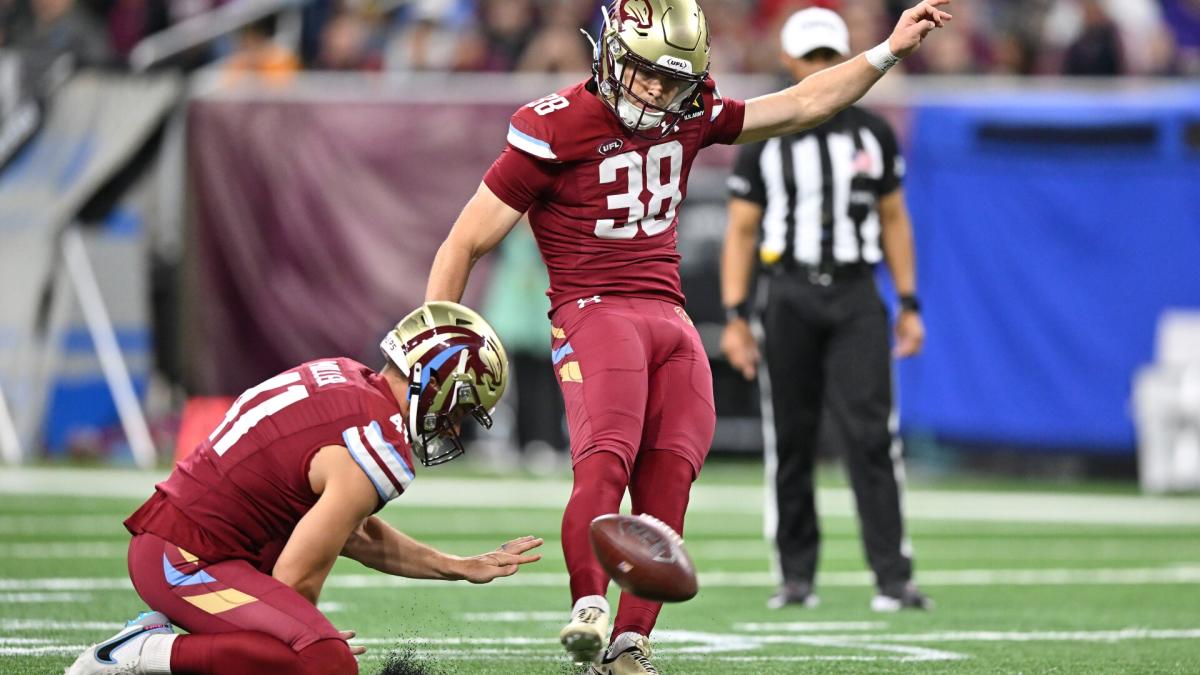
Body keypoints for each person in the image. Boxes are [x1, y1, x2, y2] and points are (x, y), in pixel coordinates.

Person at [425, 1, 952, 671]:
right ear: (612, 55)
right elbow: (465, 240)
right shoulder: (554, 126)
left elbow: (803, 103)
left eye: (671, 80)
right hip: (595, 307)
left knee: (672, 478)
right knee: (607, 458)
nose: (656, 92)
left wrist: (889, 51)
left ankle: (631, 642)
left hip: (667, 316)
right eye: (645, 75)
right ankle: (588, 607)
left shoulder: (691, 108)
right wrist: (435, 339)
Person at [66, 301, 543, 675]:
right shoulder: (378, 445)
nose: (454, 428)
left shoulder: (344, 375)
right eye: (459, 409)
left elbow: (353, 530)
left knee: (311, 649)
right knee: (324, 662)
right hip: (186, 560)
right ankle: (141, 653)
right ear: (434, 382)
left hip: (183, 543)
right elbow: (296, 580)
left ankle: (155, 643)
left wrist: (455, 566)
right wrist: (304, 639)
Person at [719, 7, 930, 614]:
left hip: (856, 293)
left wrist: (909, 301)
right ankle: (795, 575)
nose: (818, 67)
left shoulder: (873, 134)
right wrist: (736, 314)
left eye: (826, 56)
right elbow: (740, 231)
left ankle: (892, 576)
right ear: (789, 60)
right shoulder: (765, 137)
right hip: (787, 294)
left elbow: (894, 219)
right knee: (791, 437)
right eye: (808, 57)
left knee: (871, 436)